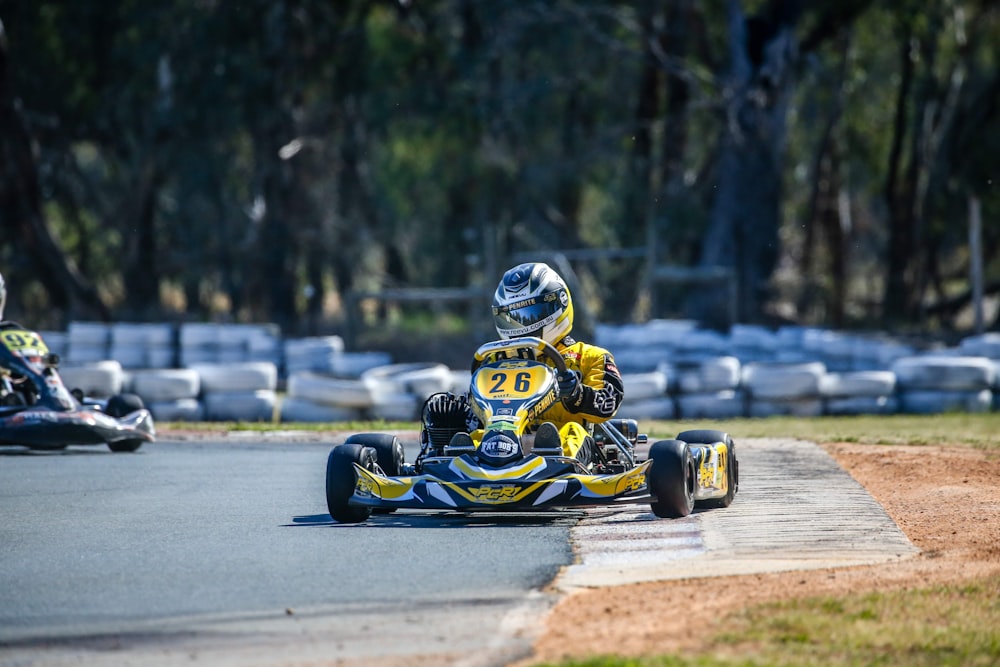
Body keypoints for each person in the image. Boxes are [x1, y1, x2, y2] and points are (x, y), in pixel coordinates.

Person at [485, 261, 625, 464]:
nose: (522, 325)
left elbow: (608, 405)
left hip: (567, 446)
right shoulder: (495, 359)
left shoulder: (591, 356)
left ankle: (555, 462)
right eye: (512, 317)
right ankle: (462, 468)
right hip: (504, 442)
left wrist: (577, 394)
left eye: (529, 315)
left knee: (572, 432)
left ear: (559, 303)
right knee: (478, 436)